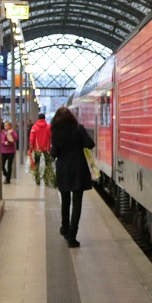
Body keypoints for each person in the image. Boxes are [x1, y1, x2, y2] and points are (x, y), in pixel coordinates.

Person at [51, 106, 94, 248]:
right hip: (78, 169)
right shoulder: (78, 129)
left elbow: (54, 153)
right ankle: (72, 237)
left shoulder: (56, 132)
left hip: (63, 170)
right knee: (77, 203)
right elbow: (90, 144)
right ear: (71, 117)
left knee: (65, 201)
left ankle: (65, 229)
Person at [28, 112, 52, 186]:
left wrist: (31, 149)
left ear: (38, 119)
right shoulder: (48, 127)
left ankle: (37, 179)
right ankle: (46, 179)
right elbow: (52, 137)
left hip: (37, 149)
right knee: (48, 164)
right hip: (47, 148)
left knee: (37, 164)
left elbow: (31, 139)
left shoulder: (34, 127)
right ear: (44, 118)